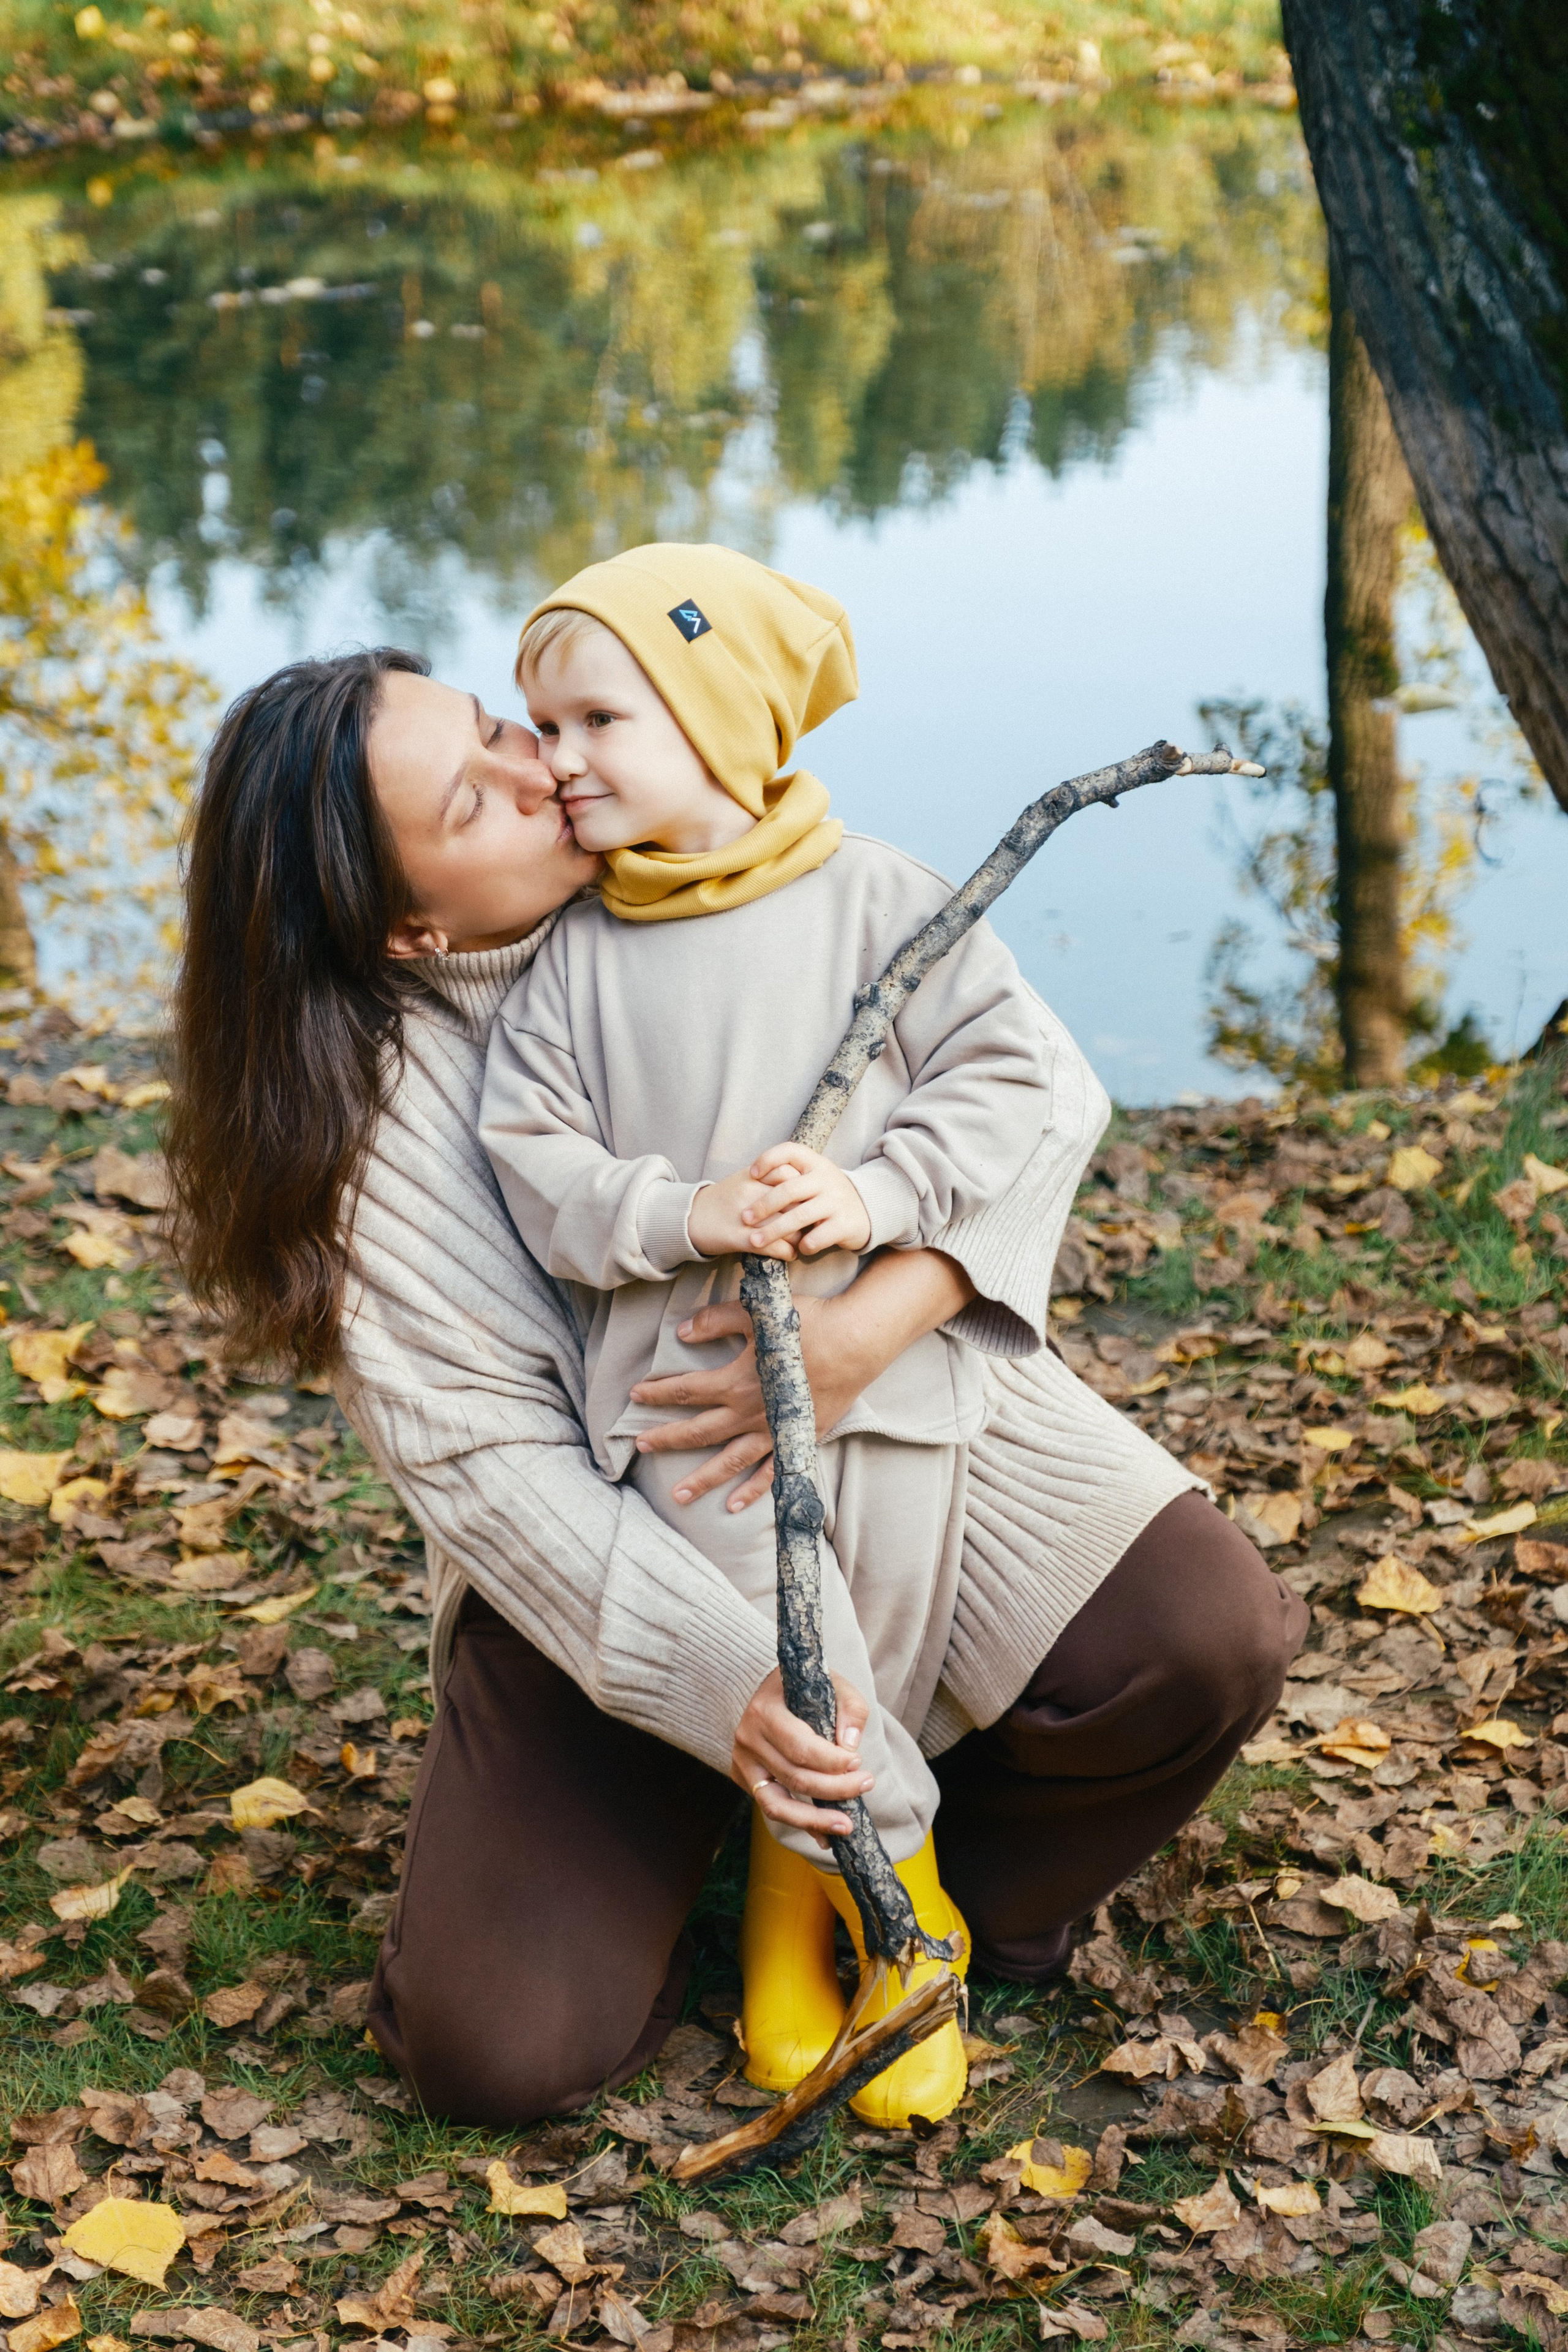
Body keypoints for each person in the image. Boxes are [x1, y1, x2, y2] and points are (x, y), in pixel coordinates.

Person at [165, 640, 1309, 2133]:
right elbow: (497, 1477)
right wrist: (738, 1692)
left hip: (896, 1404)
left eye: (500, 727)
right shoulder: (375, 1140)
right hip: (628, 1545)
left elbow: (1041, 1093)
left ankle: (929, 1898)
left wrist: (867, 1328)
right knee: (492, 2048)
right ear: (409, 932)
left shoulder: (729, 841)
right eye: (476, 798)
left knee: (1206, 1636)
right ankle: (739, 1825)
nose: (544, 768)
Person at [483, 545, 1057, 2124]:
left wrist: (869, 1195)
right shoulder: (572, 958)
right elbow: (538, 1167)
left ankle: (808, 1911)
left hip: (891, 1385)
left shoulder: (881, 901)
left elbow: (1009, 1085)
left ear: (724, 720)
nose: (556, 763)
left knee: (882, 1630)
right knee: (798, 1659)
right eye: (540, 727)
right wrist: (686, 1214)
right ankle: (903, 1920)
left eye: (597, 718)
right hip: (690, 1403)